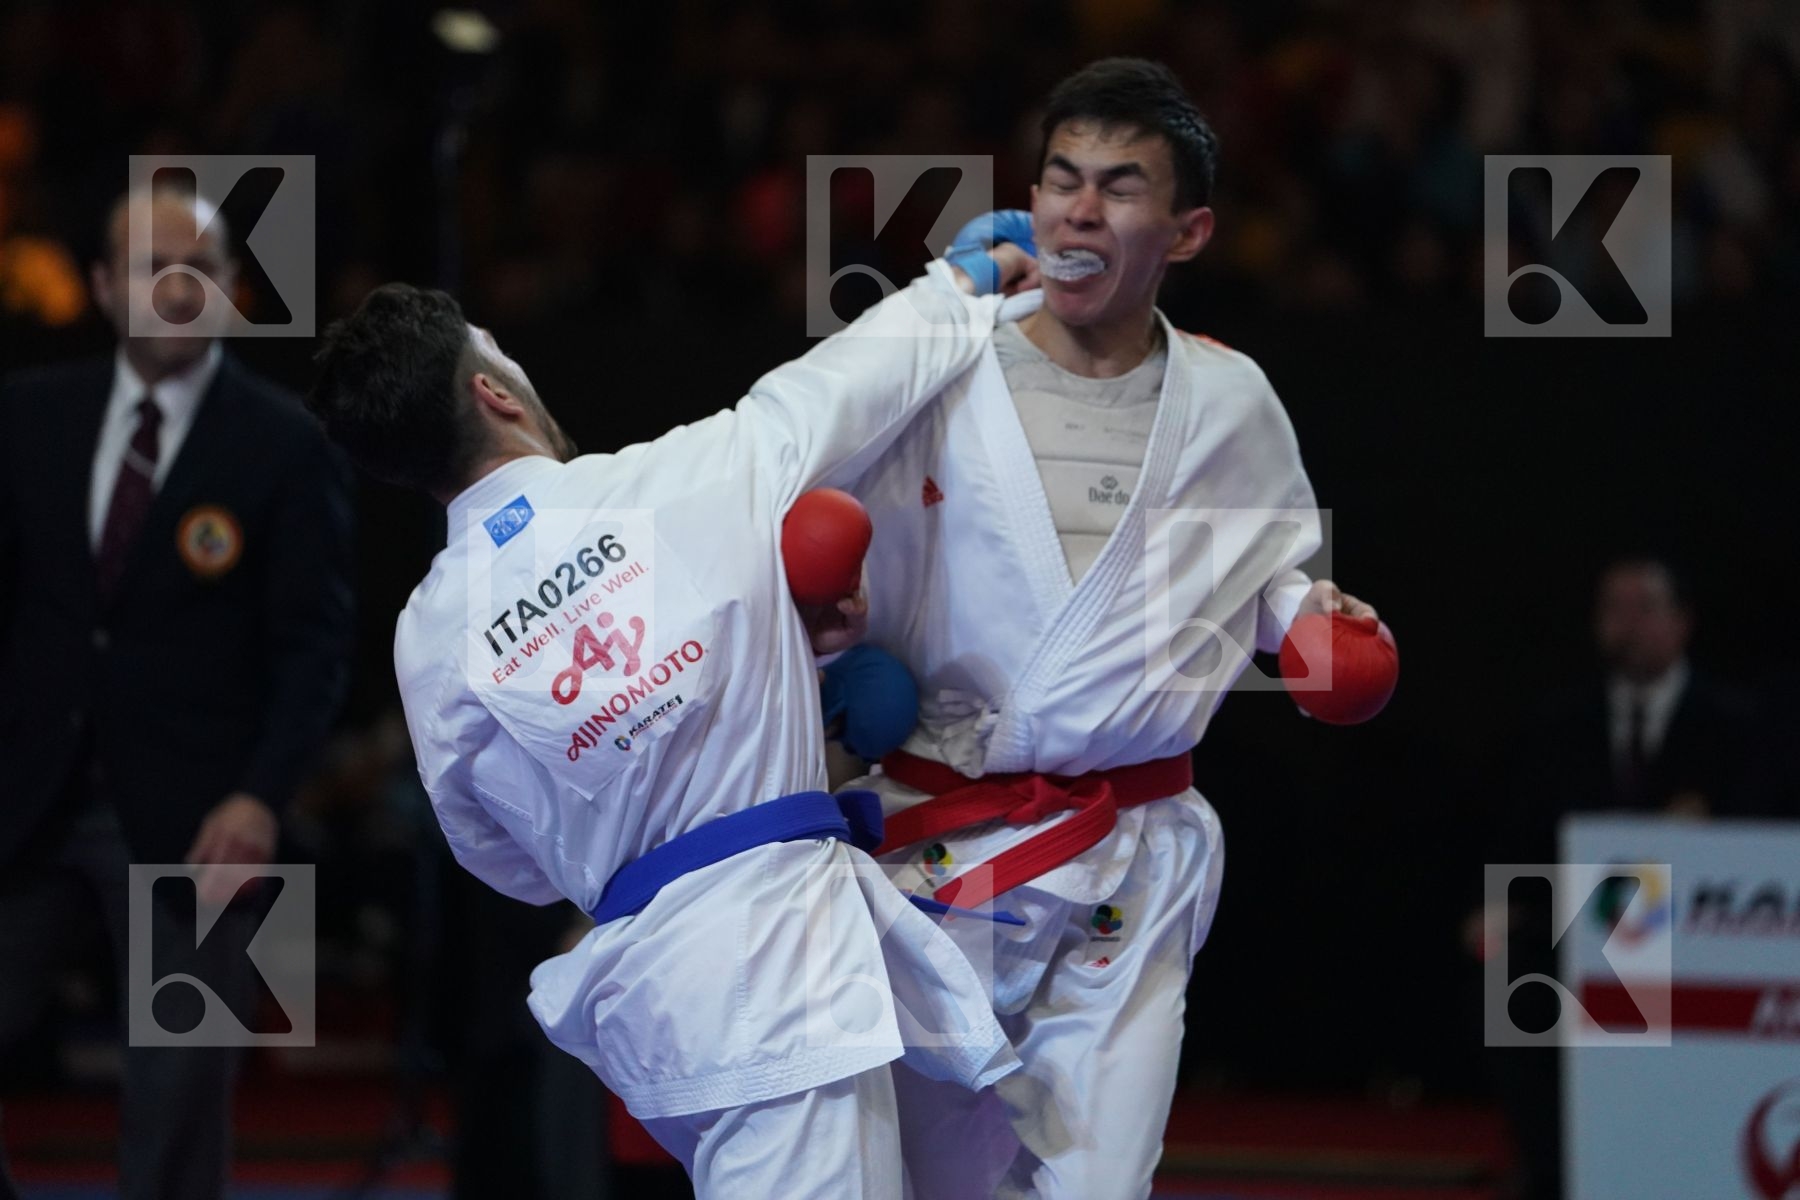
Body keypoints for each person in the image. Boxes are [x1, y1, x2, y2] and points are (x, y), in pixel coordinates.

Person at [303, 243, 1033, 1199]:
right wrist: (963, 282)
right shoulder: (684, 479)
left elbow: (503, 861)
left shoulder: (429, 637)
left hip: (657, 991)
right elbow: (857, 376)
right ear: (495, 392)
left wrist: (765, 679)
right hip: (777, 966)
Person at [825, 58, 1381, 1199]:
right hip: (938, 842)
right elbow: (822, 534)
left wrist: (1311, 617)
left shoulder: (1231, 399)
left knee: (1096, 1185)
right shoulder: (942, 357)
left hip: (1133, 852)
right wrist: (831, 640)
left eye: (1120, 187)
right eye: (1061, 179)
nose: (1080, 210)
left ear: (1187, 233)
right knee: (929, 1181)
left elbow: (1261, 572)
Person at [0, 186, 354, 1199]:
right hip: (27, 797)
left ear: (234, 289)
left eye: (200, 266)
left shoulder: (287, 441)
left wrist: (261, 799)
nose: (180, 286)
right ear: (103, 287)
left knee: (182, 1108)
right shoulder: (26, 415)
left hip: (206, 823)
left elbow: (317, 648)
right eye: (154, 265)